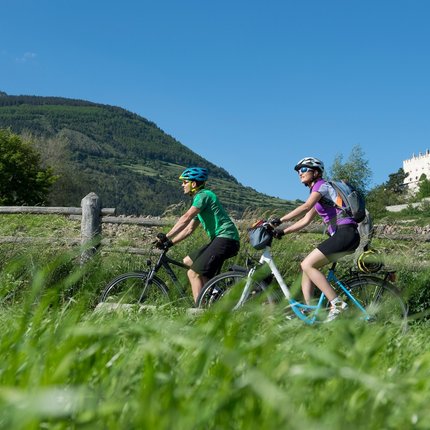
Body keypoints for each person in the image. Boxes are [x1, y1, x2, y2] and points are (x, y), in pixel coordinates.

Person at [270, 157, 360, 321]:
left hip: (345, 232)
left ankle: (337, 303)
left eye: (304, 169)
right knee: (305, 266)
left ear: (316, 172)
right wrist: (283, 231)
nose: (300, 173)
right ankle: (310, 309)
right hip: (344, 235)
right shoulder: (319, 196)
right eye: (298, 171)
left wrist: (280, 220)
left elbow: (305, 206)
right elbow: (305, 220)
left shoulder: (321, 186)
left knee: (307, 264)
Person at [156, 167, 240, 303]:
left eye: (185, 182)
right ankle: (213, 292)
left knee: (193, 273)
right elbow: (189, 229)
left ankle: (199, 311)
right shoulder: (201, 201)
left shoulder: (203, 196)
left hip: (226, 239)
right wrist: (170, 243)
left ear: (193, 184)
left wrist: (166, 235)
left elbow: (186, 217)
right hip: (221, 239)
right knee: (188, 262)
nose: (182, 185)